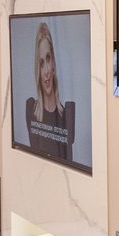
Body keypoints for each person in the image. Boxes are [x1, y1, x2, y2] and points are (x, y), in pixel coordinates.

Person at [25, 21, 76, 161]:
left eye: (48, 59)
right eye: (41, 63)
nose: (46, 71)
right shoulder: (31, 109)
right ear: (38, 69)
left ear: (53, 62)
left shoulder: (67, 114)